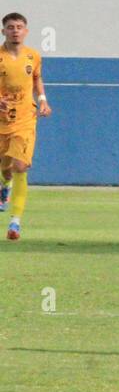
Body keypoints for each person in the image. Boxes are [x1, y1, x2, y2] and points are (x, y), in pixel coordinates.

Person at [0, 13, 52, 240]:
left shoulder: (33, 56)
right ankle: (5, 184)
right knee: (6, 166)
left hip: (25, 118)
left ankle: (15, 222)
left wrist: (42, 100)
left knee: (20, 166)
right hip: (2, 121)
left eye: (19, 27)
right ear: (3, 31)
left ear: (26, 31)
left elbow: (37, 79)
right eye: (10, 27)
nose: (15, 30)